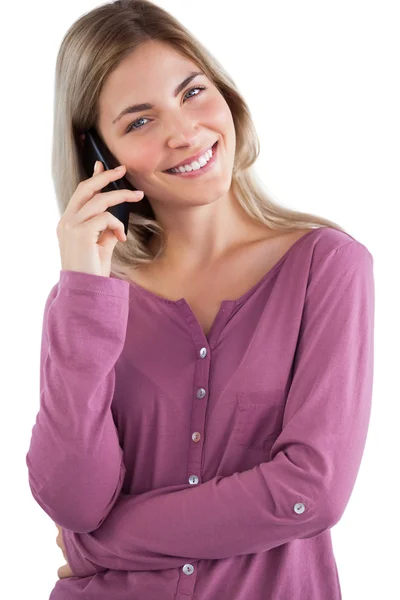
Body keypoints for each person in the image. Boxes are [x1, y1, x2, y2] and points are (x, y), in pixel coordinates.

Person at [25, 1, 375, 599]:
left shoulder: (327, 266)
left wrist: (99, 546)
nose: (183, 132)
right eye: (138, 122)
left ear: (226, 95)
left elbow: (308, 492)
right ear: (98, 156)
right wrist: (85, 290)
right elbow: (75, 499)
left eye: (192, 93)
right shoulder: (88, 299)